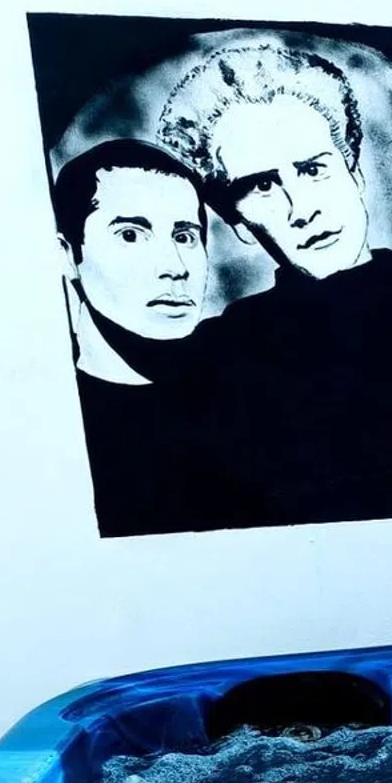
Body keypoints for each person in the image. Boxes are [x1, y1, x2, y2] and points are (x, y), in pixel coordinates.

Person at [156, 40, 392, 527]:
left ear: (354, 173)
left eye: (313, 169)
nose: (302, 208)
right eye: (263, 185)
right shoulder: (223, 354)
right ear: (238, 222)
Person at [50, 139, 237, 536]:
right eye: (131, 235)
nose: (174, 267)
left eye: (184, 237)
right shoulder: (49, 427)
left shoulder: (247, 386)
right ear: (67, 254)